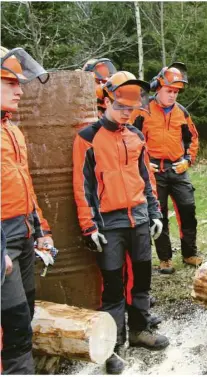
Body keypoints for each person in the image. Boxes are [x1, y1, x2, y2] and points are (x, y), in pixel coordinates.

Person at [72, 71, 169, 374]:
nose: (128, 113)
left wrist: (155, 213)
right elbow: (82, 185)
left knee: (141, 280)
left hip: (139, 217)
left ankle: (140, 330)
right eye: (122, 107)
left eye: (132, 109)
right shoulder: (87, 137)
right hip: (108, 222)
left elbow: (146, 178)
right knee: (113, 287)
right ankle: (113, 344)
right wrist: (89, 226)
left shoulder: (136, 136)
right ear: (107, 102)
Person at [1, 46, 53, 374]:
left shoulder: (12, 130)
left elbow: (25, 186)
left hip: (22, 232)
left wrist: (41, 229)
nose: (20, 89)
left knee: (24, 315)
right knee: (12, 324)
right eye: (10, 82)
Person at [130, 62, 201, 274]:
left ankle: (189, 253)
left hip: (177, 168)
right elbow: (132, 139)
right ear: (158, 88)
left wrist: (188, 160)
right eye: (169, 91)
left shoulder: (182, 113)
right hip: (154, 171)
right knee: (158, 214)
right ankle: (165, 258)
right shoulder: (143, 112)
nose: (173, 95)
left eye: (176, 92)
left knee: (188, 210)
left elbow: (192, 139)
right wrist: (142, 164)